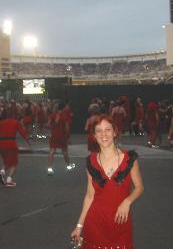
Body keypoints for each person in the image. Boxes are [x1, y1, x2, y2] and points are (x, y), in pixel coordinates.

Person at [70, 114, 144, 248]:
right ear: (94, 136)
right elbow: (89, 196)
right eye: (99, 131)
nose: (104, 134)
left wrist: (127, 201)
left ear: (115, 132)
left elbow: (139, 187)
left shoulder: (129, 159)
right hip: (95, 223)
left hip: (121, 222)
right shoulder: (91, 162)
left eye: (108, 130)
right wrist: (79, 226)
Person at [0, 110, 30, 187]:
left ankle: (2, 172)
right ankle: (9, 179)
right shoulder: (16, 122)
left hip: (1, 144)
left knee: (6, 160)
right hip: (11, 143)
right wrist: (28, 141)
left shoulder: (1, 123)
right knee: (14, 163)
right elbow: (23, 133)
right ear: (14, 116)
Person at [47, 102, 75, 175]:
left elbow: (48, 125)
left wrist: (53, 128)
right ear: (63, 108)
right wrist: (68, 137)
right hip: (62, 135)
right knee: (64, 151)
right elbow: (67, 128)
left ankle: (49, 168)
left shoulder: (53, 115)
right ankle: (68, 166)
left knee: (52, 151)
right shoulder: (65, 116)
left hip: (54, 134)